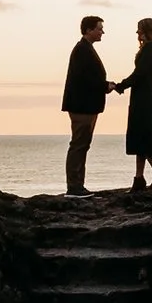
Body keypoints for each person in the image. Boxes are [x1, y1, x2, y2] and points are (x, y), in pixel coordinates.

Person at [61, 15, 114, 195]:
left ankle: (77, 185)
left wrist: (104, 85)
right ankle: (74, 187)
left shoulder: (85, 48)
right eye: (99, 28)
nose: (102, 32)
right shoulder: (82, 50)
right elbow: (85, 79)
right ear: (89, 30)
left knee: (82, 144)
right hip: (81, 106)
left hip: (86, 105)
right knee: (79, 144)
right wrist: (105, 85)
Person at [117, 17, 152, 190]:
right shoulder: (148, 48)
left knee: (144, 136)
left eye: (139, 29)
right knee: (140, 136)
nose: (137, 32)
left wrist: (120, 85)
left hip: (145, 96)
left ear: (146, 30)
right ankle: (139, 178)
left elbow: (140, 74)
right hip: (141, 94)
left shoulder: (150, 49)